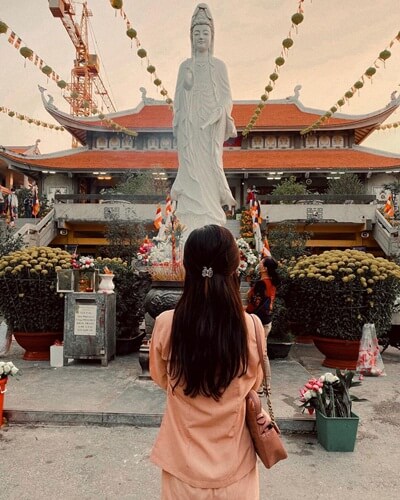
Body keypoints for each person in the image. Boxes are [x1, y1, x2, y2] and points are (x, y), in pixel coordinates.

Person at [150, 224, 265, 499]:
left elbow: (160, 377)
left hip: (182, 468)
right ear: (234, 268)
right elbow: (255, 384)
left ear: (186, 267)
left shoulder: (166, 324)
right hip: (236, 469)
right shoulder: (252, 327)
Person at [171, 4, 237, 236]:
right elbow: (178, 97)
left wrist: (220, 110)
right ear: (191, 37)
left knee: (210, 163)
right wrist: (186, 86)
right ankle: (189, 207)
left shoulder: (219, 66)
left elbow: (227, 96)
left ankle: (210, 210)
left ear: (212, 37)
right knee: (190, 163)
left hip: (211, 126)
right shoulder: (184, 66)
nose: (201, 37)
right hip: (190, 125)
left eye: (205, 33)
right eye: (197, 33)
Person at [246, 256, 280, 339]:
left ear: (265, 269)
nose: (259, 264)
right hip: (267, 320)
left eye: (261, 262)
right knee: (262, 349)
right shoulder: (272, 282)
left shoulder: (261, 284)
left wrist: (245, 311)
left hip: (257, 322)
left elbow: (255, 303)